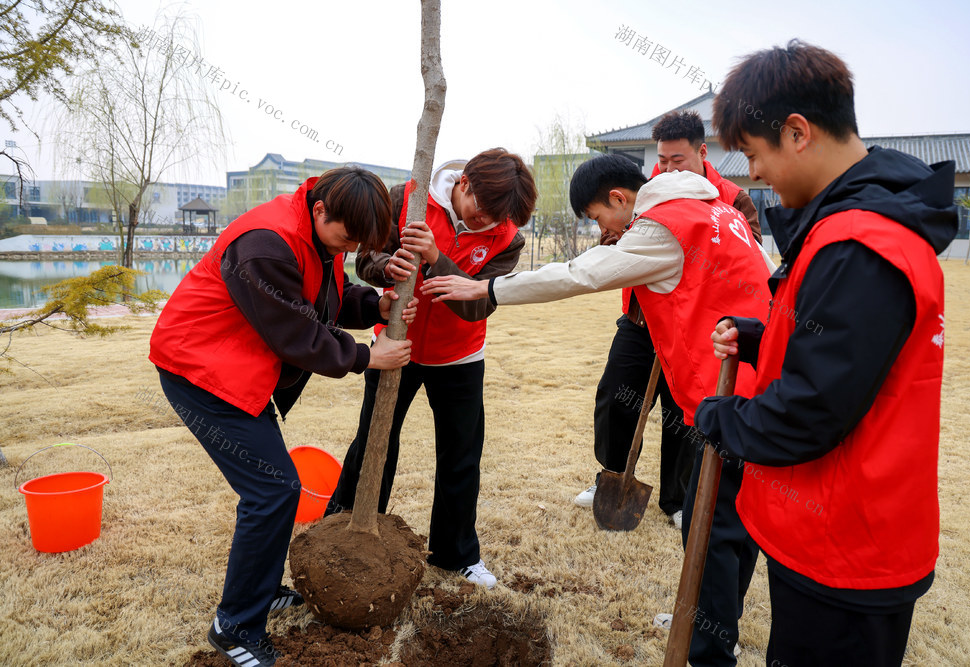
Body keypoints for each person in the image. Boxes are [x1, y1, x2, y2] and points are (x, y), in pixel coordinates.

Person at [422, 154, 773, 664]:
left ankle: (709, 645)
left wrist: (488, 287)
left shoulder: (661, 227)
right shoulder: (719, 211)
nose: (602, 229)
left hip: (732, 392)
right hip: (760, 381)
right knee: (725, 522)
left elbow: (580, 275)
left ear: (618, 198)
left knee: (711, 526)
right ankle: (708, 616)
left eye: (597, 217)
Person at [695, 40, 957, 666]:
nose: (752, 174)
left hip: (846, 545)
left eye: (755, 154)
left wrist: (717, 419)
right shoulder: (849, 224)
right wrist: (763, 340)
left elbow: (810, 410)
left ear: (797, 132)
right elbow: (850, 351)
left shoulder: (859, 243)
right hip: (841, 531)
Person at [148, 167, 415, 667]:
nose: (348, 248)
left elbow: (322, 301)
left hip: (232, 367)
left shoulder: (317, 238)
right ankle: (234, 626)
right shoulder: (265, 245)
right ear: (320, 209)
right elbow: (296, 332)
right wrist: (366, 357)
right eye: (346, 237)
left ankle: (261, 590)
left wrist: (376, 303)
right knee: (272, 489)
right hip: (198, 369)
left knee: (274, 489)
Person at [329, 148, 537, 590]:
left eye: (498, 221)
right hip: (395, 345)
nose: (489, 225)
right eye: (482, 213)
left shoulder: (509, 237)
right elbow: (366, 259)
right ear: (464, 184)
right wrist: (390, 265)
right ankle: (345, 526)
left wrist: (437, 257)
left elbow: (478, 305)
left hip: (459, 354)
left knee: (461, 456)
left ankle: (456, 553)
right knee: (373, 441)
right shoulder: (409, 197)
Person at [577, 110, 763, 538]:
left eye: (676, 160)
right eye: (661, 161)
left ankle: (676, 498)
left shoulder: (731, 199)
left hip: (697, 327)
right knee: (615, 395)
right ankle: (613, 471)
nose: (666, 170)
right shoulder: (651, 196)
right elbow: (617, 245)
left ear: (701, 152)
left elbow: (743, 260)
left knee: (682, 414)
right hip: (641, 319)